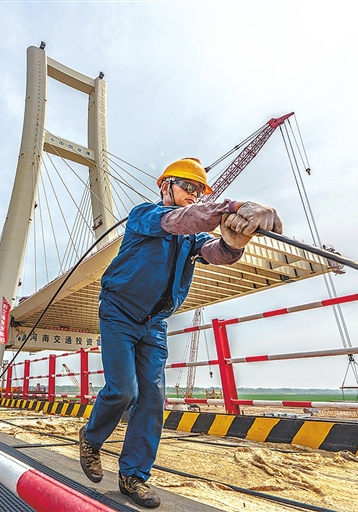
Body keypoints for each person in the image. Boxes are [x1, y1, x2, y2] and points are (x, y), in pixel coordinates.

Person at [78, 158, 282, 508]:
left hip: (154, 323)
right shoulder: (145, 216)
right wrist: (231, 206)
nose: (194, 196)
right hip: (118, 314)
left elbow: (214, 251)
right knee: (123, 389)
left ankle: (133, 476)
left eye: (200, 191)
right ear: (165, 186)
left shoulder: (192, 237)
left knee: (153, 399)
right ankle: (91, 438)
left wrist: (235, 241)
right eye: (188, 188)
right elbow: (180, 221)